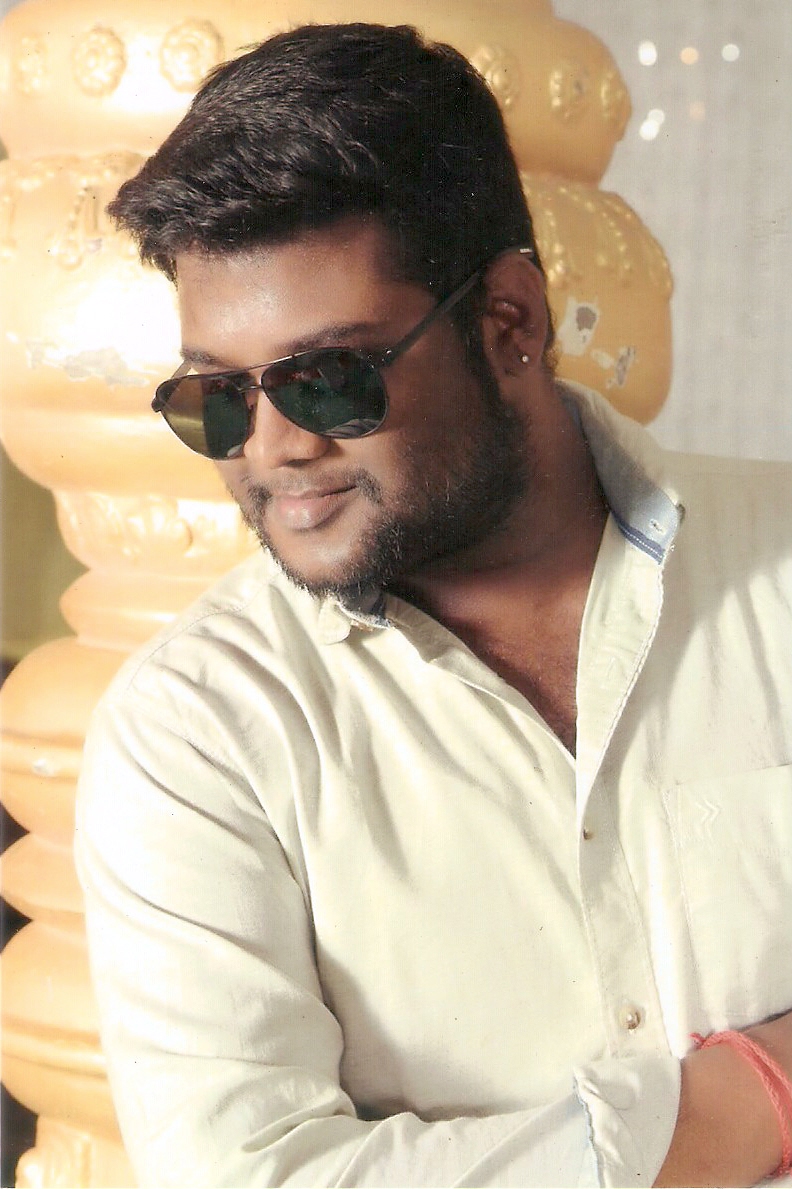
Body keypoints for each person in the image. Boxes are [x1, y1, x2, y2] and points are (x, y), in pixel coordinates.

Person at [74, 21, 792, 1189]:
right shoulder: (196, 734)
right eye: (217, 397)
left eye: (328, 379)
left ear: (510, 321)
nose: (273, 448)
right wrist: (749, 1098)